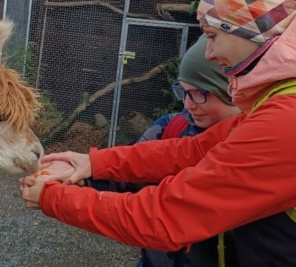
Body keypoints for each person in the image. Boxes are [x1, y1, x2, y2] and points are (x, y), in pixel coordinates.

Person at [20, 0, 296, 267]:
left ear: (253, 29)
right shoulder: (279, 105)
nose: (209, 53)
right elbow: (195, 151)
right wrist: (92, 162)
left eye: (212, 36)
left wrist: (52, 197)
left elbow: (166, 217)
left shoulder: (286, 119)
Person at [87, 35, 241, 267]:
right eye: (184, 92)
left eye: (200, 93)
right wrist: (73, 177)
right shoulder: (171, 126)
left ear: (230, 91)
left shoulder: (257, 149)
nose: (188, 105)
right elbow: (125, 181)